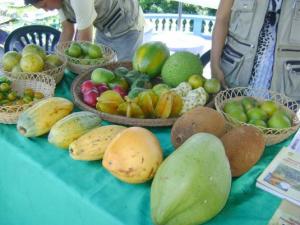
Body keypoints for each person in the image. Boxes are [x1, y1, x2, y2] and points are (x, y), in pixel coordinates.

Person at [211, 0, 300, 101]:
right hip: (233, 79)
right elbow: (222, 19)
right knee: (221, 115)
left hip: (285, 91)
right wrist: (214, 66)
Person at [24, 0, 145, 61]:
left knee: (123, 72)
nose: (46, 10)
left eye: (44, 5)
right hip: (103, 26)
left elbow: (85, 38)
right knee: (103, 67)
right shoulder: (58, 2)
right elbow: (68, 29)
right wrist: (57, 61)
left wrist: (74, 64)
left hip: (127, 25)